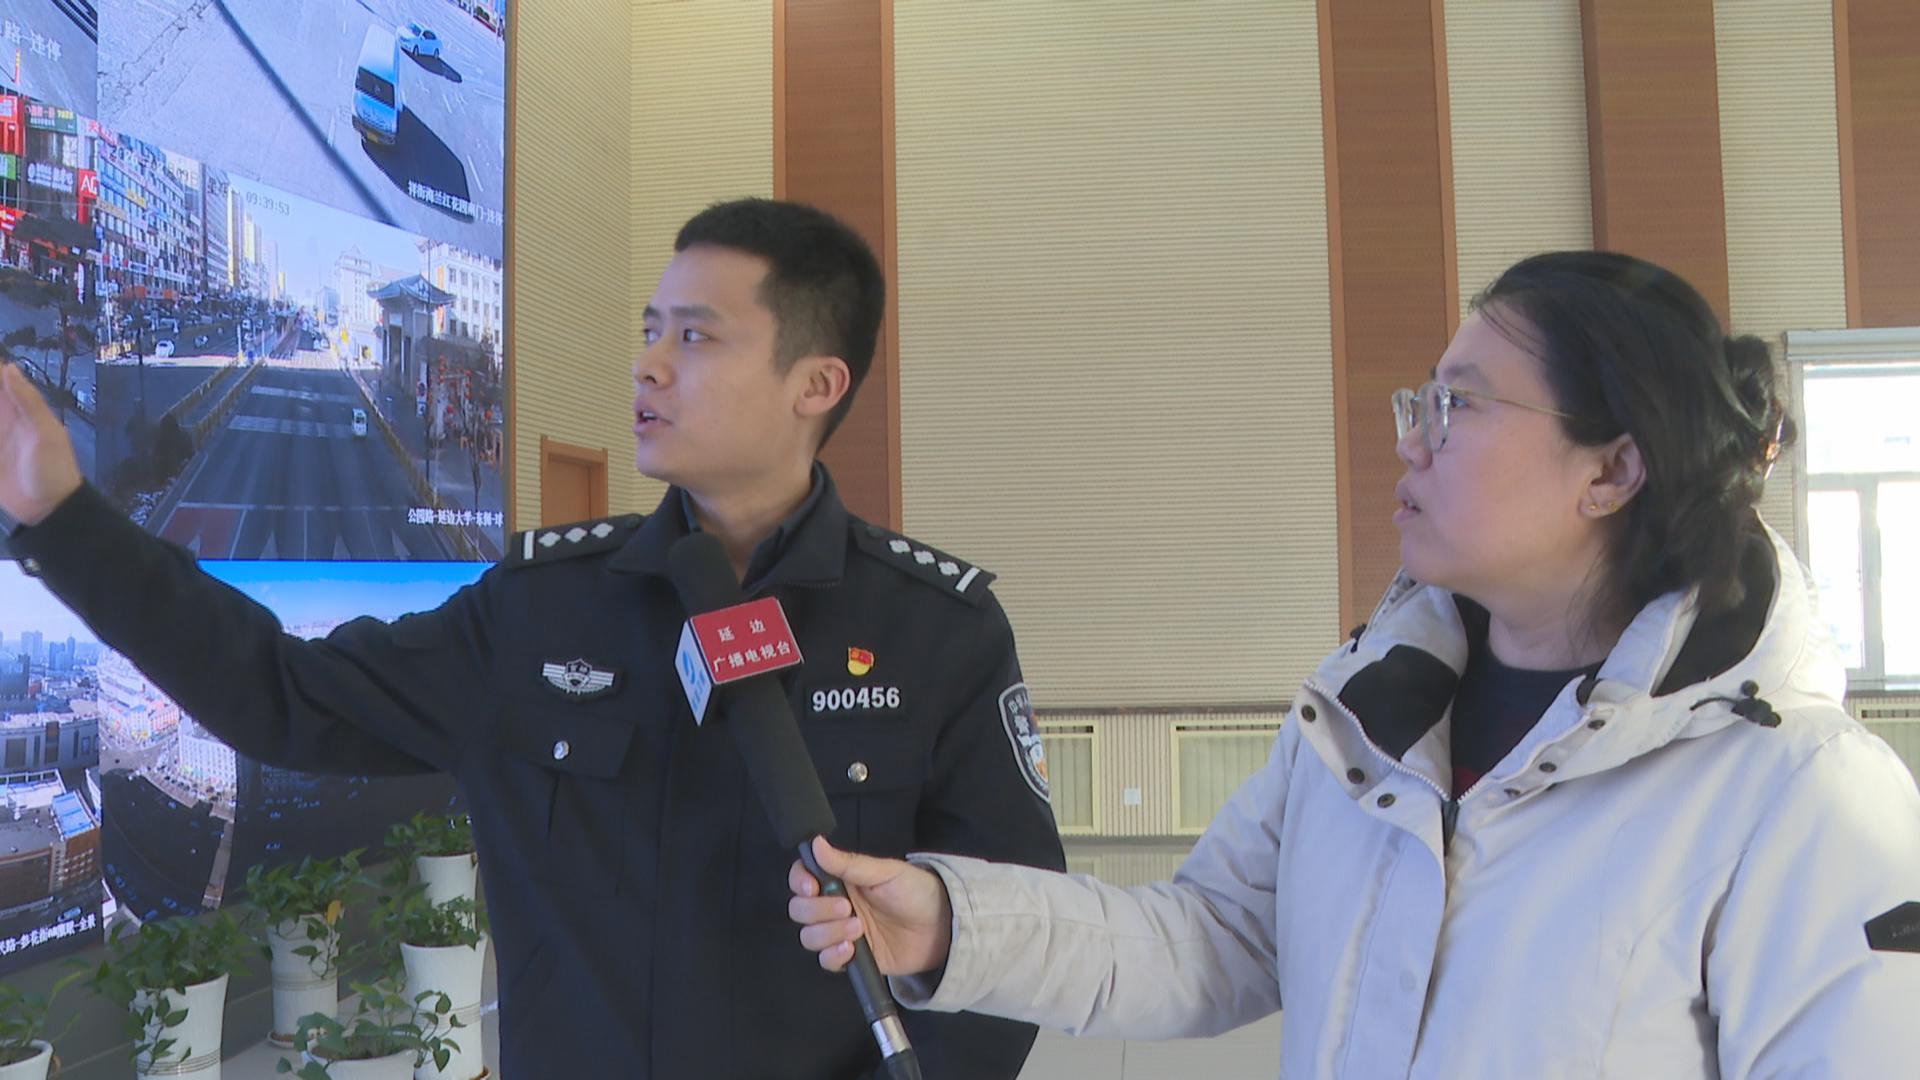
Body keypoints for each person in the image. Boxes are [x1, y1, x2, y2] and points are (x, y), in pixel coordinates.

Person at [0, 198, 1064, 1079]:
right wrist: (65, 522)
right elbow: (283, 693)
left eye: (695, 336)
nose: (649, 365)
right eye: (649, 329)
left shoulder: (936, 635)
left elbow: (1013, 943)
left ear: (815, 384)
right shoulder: (540, 610)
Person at [788, 251, 1920, 1078]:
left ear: (1612, 469)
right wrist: (955, 925)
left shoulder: (1796, 793)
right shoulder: (1365, 722)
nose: (1411, 439)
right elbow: (1215, 937)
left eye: (1458, 406)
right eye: (1420, 401)